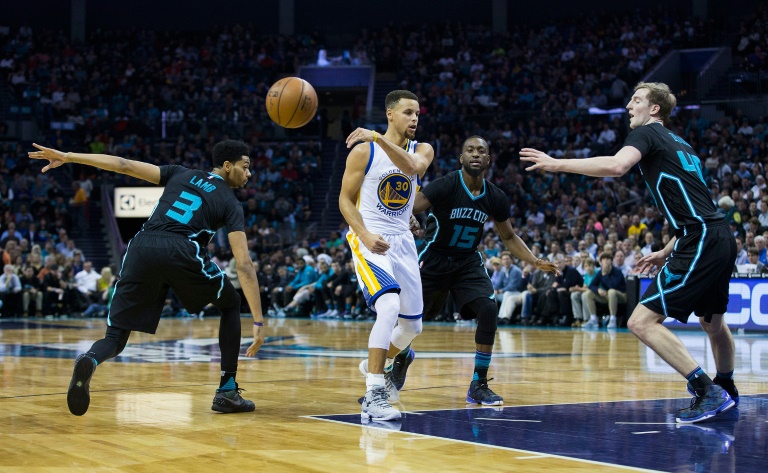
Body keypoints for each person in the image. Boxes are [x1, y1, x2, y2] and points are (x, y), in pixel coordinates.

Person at [520, 82, 738, 423]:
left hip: (700, 239)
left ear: (654, 110)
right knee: (713, 323)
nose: (627, 106)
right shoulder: (682, 143)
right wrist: (667, 249)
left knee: (640, 321)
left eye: (635, 100)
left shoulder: (647, 134)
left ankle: (707, 390)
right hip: (718, 235)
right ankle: (727, 386)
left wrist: (556, 163)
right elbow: (698, 203)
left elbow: (616, 167)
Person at [28, 140, 265, 416]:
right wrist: (258, 320)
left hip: (141, 246)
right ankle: (227, 391)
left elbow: (124, 165)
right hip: (182, 248)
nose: (249, 174)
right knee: (231, 303)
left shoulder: (180, 172)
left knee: (115, 337)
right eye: (245, 167)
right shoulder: (231, 203)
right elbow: (244, 265)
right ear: (227, 166)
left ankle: (90, 359)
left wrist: (69, 155)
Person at [393, 136, 558, 406]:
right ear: (461, 158)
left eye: (481, 150)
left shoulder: (495, 196)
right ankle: (402, 356)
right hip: (434, 259)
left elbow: (509, 236)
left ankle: (478, 384)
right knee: (413, 321)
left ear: (488, 160)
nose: (475, 154)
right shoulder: (446, 184)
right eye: (469, 149)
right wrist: (407, 214)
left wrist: (535, 260)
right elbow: (410, 205)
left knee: (489, 309)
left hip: (467, 261)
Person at [339, 90, 434, 422]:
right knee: (389, 306)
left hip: (403, 242)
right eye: (408, 112)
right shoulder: (363, 152)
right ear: (390, 114)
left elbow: (412, 167)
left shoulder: (422, 149)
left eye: (418, 114)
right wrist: (364, 233)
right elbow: (345, 201)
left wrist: (378, 136)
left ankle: (374, 360)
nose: (414, 119)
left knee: (412, 328)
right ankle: (374, 391)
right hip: (369, 239)